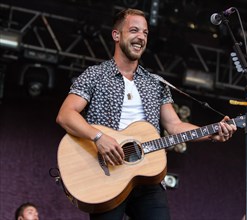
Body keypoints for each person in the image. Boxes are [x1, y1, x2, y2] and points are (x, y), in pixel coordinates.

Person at [56, 8, 237, 220]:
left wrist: (212, 132)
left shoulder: (156, 83)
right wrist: (99, 138)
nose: (141, 37)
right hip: (106, 176)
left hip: (149, 176)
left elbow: (175, 126)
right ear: (116, 35)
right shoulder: (95, 75)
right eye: (134, 30)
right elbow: (66, 115)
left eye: (145, 33)